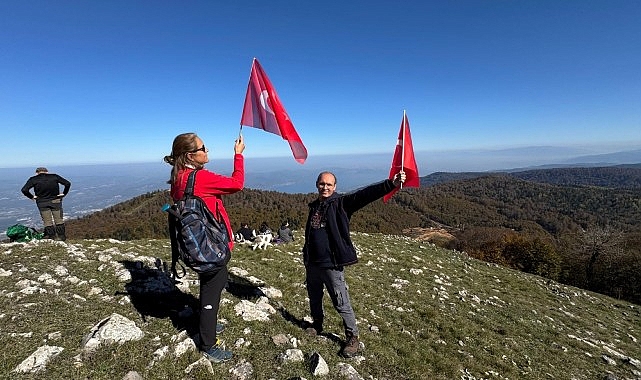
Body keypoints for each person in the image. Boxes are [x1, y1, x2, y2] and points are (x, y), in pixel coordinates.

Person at [302, 170, 406, 358]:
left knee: (341, 302)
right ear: (317, 185)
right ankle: (317, 324)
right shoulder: (314, 206)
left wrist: (390, 184)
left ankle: (352, 337)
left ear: (335, 187)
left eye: (329, 184)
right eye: (322, 184)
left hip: (331, 264)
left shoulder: (341, 204)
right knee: (314, 296)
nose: (325, 187)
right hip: (313, 264)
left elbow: (364, 195)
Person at [164, 132, 245, 364]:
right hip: (209, 245)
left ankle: (205, 320)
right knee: (214, 285)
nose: (207, 151)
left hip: (197, 244)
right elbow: (237, 184)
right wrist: (238, 156)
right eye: (203, 147)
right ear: (191, 155)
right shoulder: (198, 178)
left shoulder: (180, 176)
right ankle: (208, 342)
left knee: (214, 282)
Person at [21, 167, 71, 241]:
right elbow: (67, 183)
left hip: (42, 202)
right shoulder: (54, 176)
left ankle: (52, 237)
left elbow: (24, 190)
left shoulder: (33, 179)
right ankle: (62, 237)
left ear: (37, 173)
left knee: (47, 221)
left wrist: (32, 197)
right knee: (59, 219)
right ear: (47, 172)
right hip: (55, 200)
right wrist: (64, 193)